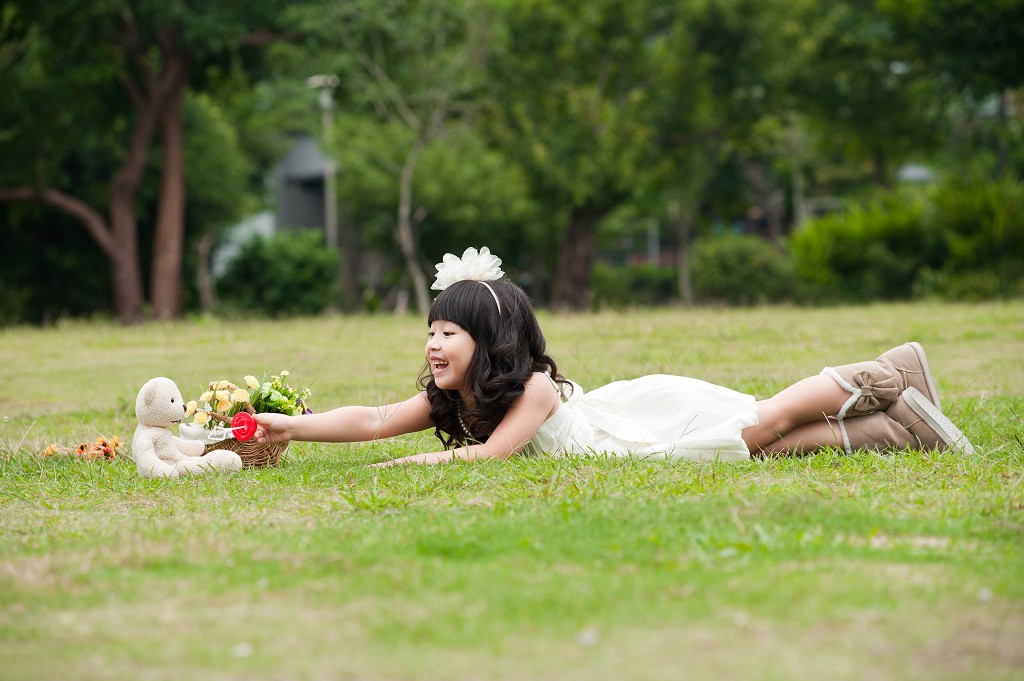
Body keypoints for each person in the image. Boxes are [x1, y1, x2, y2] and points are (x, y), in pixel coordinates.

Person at [251, 246, 974, 465]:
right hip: (627, 446)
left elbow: (492, 455)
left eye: (450, 333)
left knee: (765, 422)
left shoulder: (531, 389)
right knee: (764, 451)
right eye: (432, 331)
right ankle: (898, 427)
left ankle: (886, 374)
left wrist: (408, 467)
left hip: (635, 428)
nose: (435, 344)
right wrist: (290, 427)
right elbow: (376, 418)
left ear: (490, 342)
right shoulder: (452, 397)